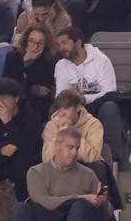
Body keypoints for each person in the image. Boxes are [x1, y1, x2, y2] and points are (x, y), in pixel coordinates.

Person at [13, 127, 109, 221]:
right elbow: (43, 201)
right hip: (45, 218)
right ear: (57, 145)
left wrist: (101, 202)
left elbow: (106, 215)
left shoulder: (88, 174)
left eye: (77, 148)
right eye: (70, 147)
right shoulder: (36, 172)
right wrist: (79, 197)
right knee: (20, 208)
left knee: (81, 206)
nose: (74, 153)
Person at [53, 27, 125, 161]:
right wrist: (73, 98)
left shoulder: (101, 60)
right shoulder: (61, 65)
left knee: (110, 107)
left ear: (78, 43)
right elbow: (60, 96)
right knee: (55, 110)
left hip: (98, 105)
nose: (61, 48)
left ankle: (112, 158)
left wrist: (85, 98)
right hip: (75, 107)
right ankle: (59, 156)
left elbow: (110, 92)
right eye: (59, 44)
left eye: (65, 43)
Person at [0, 78, 42, 200]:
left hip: (22, 163)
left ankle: (24, 201)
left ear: (16, 99)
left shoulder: (30, 117)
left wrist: (8, 123)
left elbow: (31, 145)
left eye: (4, 98)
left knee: (23, 159)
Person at [3, 24, 58, 123]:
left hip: (38, 104)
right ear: (26, 41)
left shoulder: (49, 61)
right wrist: (26, 62)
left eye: (40, 43)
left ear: (46, 45)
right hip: (15, 100)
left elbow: (44, 90)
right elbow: (8, 85)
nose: (35, 46)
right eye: (32, 41)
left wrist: (31, 88)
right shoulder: (13, 57)